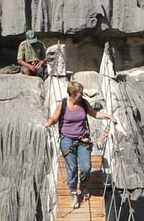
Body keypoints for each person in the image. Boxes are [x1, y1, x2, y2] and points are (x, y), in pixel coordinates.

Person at [45, 81, 118, 209]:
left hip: (83, 140)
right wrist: (48, 122)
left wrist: (108, 116)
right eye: (79, 94)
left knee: (86, 167)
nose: (81, 96)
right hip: (67, 140)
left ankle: (83, 186)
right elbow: (55, 118)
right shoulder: (62, 104)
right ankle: (73, 192)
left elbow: (94, 113)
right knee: (72, 168)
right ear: (72, 94)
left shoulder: (83, 103)